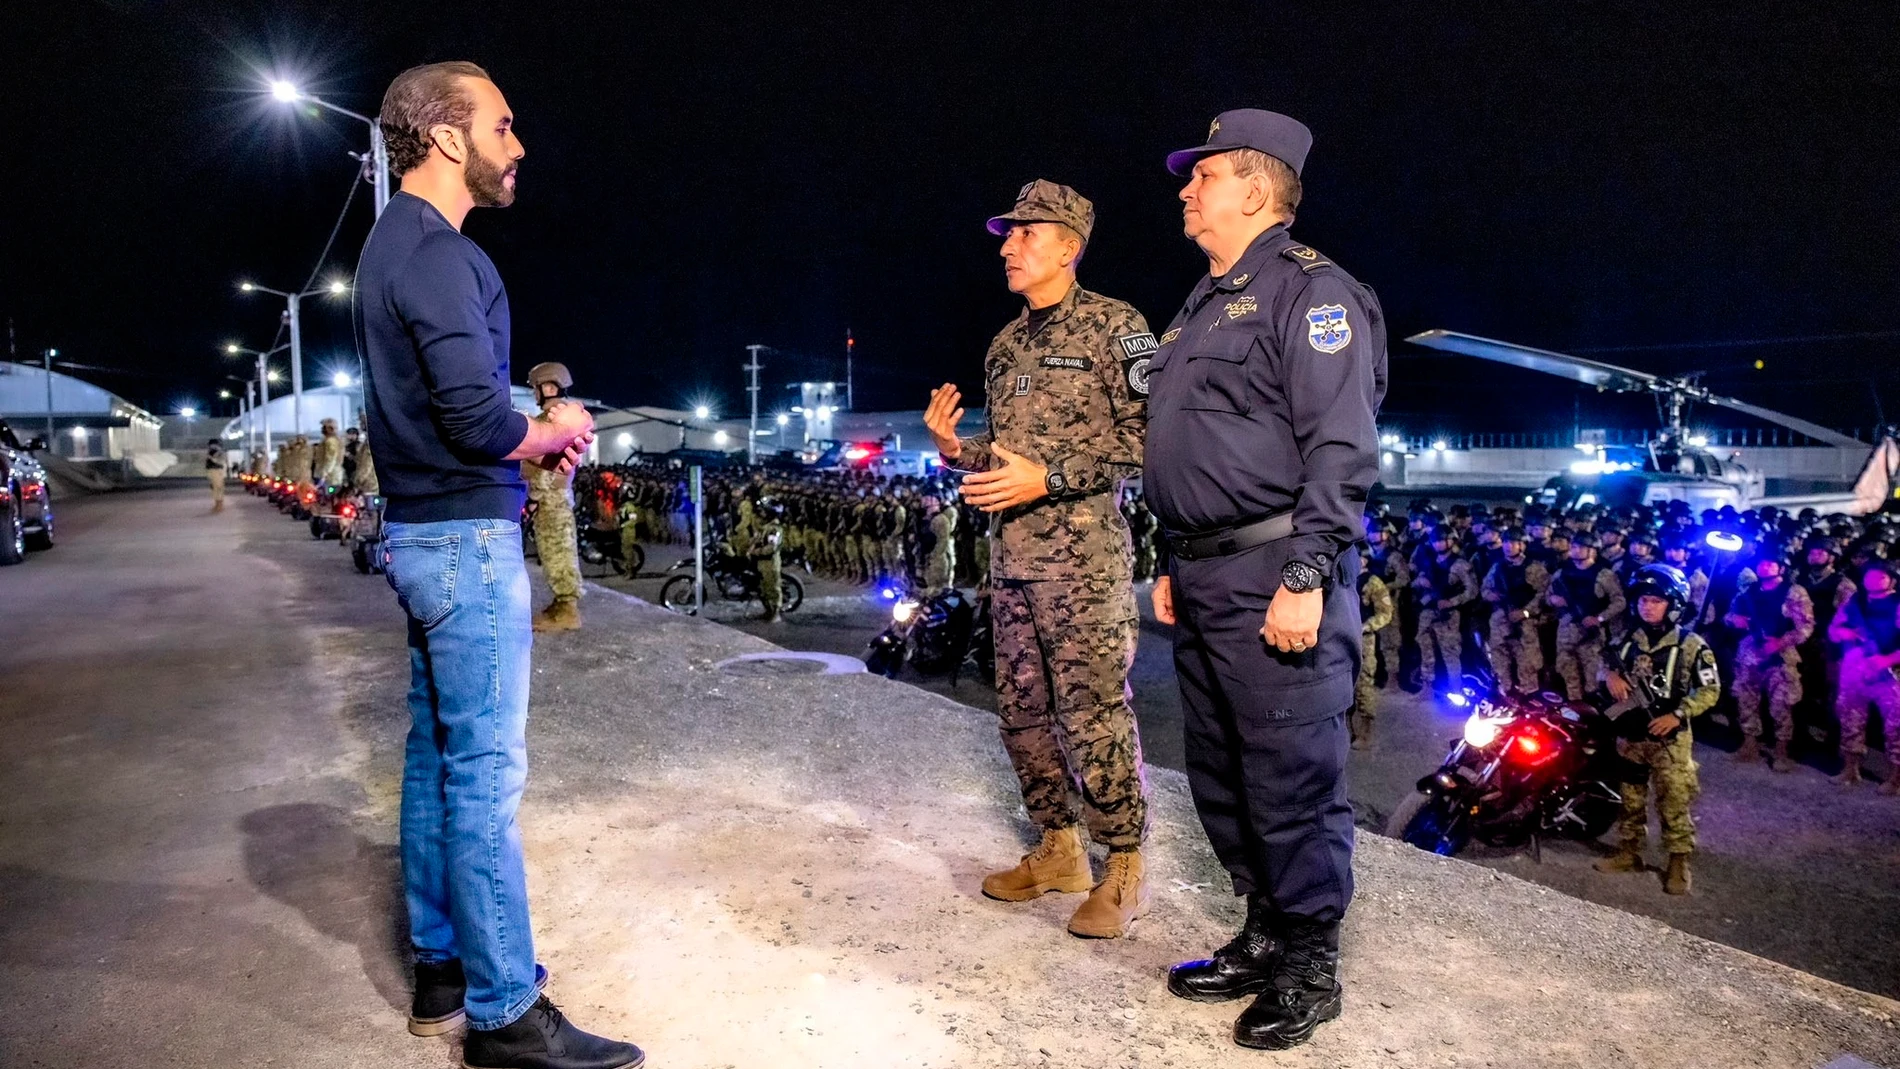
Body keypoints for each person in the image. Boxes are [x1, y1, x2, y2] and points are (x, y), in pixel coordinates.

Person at [356, 60, 641, 1069]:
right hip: (464, 545)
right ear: (447, 137)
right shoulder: (441, 255)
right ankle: (507, 1010)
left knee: (435, 755)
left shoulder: (389, 246)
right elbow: (478, 420)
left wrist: (526, 437)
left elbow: (448, 412)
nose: (517, 147)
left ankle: (441, 968)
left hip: (420, 532)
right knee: (483, 773)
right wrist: (553, 428)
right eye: (503, 126)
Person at [1144, 110, 1385, 1050]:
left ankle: (1310, 962)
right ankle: (1262, 930)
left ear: (1254, 187)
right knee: (1222, 768)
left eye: (1203, 175)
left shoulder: (1313, 293)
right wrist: (1175, 555)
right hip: (1205, 571)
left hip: (1273, 569)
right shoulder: (1202, 302)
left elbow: (1340, 446)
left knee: (1291, 773)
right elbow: (1192, 446)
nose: (1186, 188)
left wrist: (1308, 570)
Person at [925, 178, 1153, 940]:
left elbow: (1149, 439)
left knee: (1094, 716)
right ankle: (1060, 848)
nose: (1008, 247)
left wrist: (1049, 477)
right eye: (1008, 234)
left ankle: (1122, 865)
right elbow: (1006, 455)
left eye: (1027, 233)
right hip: (1013, 562)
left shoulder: (1116, 326)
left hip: (1084, 566)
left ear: (1068, 246)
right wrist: (955, 448)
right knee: (1021, 716)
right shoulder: (1006, 344)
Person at [1593, 564, 1719, 895]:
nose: (1647, 607)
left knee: (1674, 800)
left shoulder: (1691, 645)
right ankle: (1629, 852)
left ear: (1673, 605)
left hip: (1669, 740)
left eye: (1656, 601)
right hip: (1631, 735)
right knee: (1630, 798)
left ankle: (1678, 862)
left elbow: (1710, 690)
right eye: (1643, 600)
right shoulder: (1626, 640)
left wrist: (1678, 715)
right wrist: (1610, 676)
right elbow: (1602, 667)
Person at [1726, 544, 1814, 771]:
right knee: (1746, 700)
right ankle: (1749, 745)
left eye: (1770, 564)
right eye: (1762, 564)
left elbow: (1806, 626)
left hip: (1781, 656)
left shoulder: (1794, 592)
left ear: (1781, 568)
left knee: (1781, 705)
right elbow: (1730, 614)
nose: (1764, 567)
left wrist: (1781, 642)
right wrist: (1735, 620)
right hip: (1750, 653)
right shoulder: (1749, 590)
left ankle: (1781, 751)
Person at [1826, 557, 1900, 792]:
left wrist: (1887, 659)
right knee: (1851, 720)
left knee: (1895, 727)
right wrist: (1844, 633)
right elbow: (1833, 630)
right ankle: (1850, 769)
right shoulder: (1855, 602)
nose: (1874, 580)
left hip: (1888, 675)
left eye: (1881, 576)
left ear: (1892, 580)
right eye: (1870, 575)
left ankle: (1895, 779)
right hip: (1854, 670)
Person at [524, 362, 585, 632]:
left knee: (558, 551)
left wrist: (534, 497)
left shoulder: (554, 421)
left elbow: (548, 466)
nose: (534, 393)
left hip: (550, 498)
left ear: (548, 387)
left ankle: (567, 610)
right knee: (553, 550)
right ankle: (561, 605)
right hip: (553, 497)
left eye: (536, 388)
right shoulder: (561, 417)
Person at [1547, 531, 1624, 701]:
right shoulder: (1562, 573)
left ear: (1592, 550)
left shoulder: (1604, 575)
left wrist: (1600, 618)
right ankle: (1575, 704)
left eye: (1581, 547)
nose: (1576, 550)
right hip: (1566, 632)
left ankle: (1593, 708)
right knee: (1568, 674)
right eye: (1574, 547)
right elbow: (1548, 595)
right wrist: (1554, 600)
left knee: (1593, 679)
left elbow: (1619, 602)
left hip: (1591, 635)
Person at [1482, 527, 1548, 692]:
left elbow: (1544, 594)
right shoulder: (1498, 567)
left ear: (1522, 545)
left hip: (1524, 621)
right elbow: (1485, 589)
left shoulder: (1534, 568)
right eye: (1505, 542)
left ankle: (1529, 695)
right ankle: (1505, 692)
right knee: (1499, 659)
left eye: (1512, 543)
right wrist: (1491, 596)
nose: (1508, 546)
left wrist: (1526, 612)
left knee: (1527, 661)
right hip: (1500, 620)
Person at [1411, 524, 1474, 692]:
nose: (1437, 544)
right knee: (1425, 649)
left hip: (1448, 614)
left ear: (1451, 541)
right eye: (1435, 541)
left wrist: (1452, 602)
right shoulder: (1429, 562)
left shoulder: (1460, 564)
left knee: (1450, 652)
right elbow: (1414, 583)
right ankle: (1427, 688)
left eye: (1441, 540)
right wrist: (1420, 582)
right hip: (1428, 611)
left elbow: (1472, 591)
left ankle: (1456, 689)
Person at [1352, 544, 1395, 748]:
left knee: (1363, 684)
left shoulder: (1373, 582)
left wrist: (1366, 626)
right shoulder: (1344, 580)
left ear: (1363, 560)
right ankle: (1347, 730)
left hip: (1364, 640)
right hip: (1343, 638)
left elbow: (1385, 613)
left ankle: (1365, 733)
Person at [205, 438, 226, 512]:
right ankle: (217, 504)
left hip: (217, 471)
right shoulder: (212, 452)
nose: (210, 447)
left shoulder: (219, 452)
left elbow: (220, 462)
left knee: (218, 488)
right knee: (214, 488)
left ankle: (219, 505)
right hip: (212, 471)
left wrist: (211, 458)